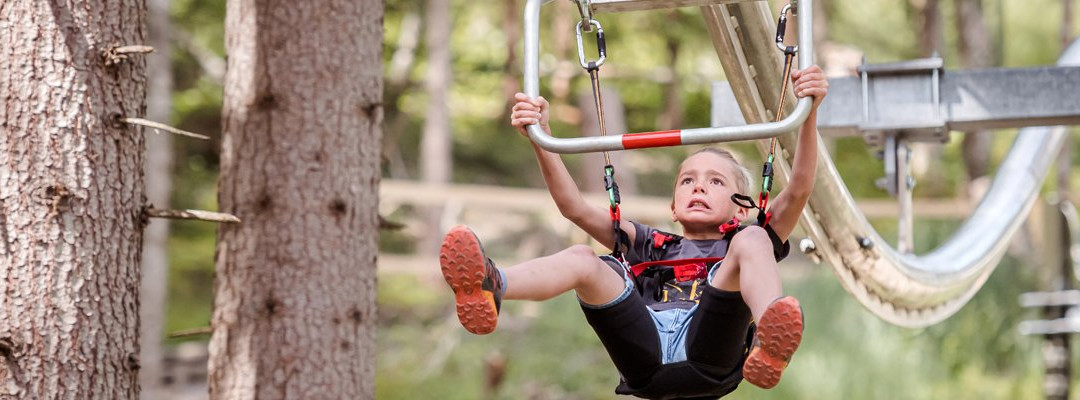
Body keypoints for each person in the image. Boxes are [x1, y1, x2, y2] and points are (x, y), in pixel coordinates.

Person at [438, 65, 828, 398]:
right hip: (644, 355)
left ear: (742, 205)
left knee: (754, 240)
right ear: (672, 208)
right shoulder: (650, 245)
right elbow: (573, 208)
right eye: (688, 180)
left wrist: (808, 114)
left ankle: (769, 340)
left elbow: (799, 188)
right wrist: (542, 138)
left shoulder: (743, 241)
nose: (698, 187)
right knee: (583, 259)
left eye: (715, 182)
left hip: (710, 353)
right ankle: (491, 286)